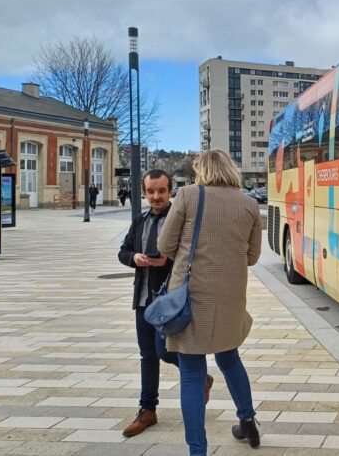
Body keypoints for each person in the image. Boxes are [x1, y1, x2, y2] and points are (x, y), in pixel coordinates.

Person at [158, 150, 262, 456]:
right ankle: (248, 420)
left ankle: (197, 450)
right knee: (230, 358)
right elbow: (253, 257)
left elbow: (164, 245)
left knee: (191, 372)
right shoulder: (249, 204)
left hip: (190, 297)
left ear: (201, 171)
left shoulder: (188, 196)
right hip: (230, 296)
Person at [116, 169, 213, 437]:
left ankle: (200, 377)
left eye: (161, 191)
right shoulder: (140, 220)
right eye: (151, 191)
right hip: (143, 298)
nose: (156, 196)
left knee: (165, 351)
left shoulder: (180, 219)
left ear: (170, 191)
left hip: (171, 299)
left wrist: (165, 261)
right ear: (144, 192)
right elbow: (122, 251)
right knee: (147, 356)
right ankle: (147, 410)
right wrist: (134, 257)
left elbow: (192, 255)